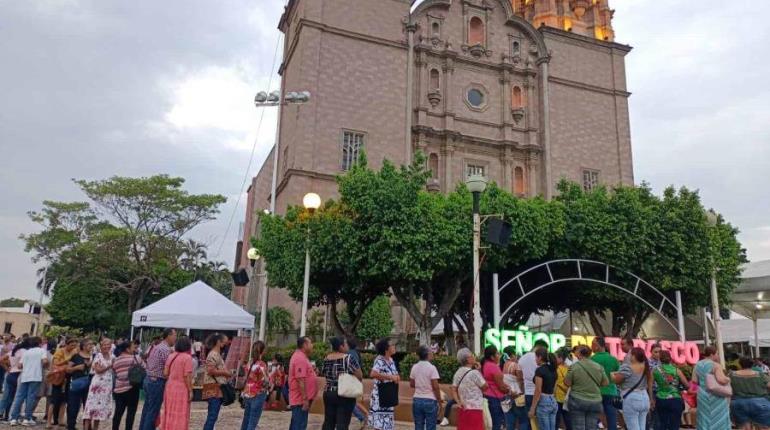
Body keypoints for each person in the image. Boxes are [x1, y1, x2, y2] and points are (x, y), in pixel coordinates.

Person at [321, 337, 363, 430]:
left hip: (329, 393)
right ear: (341, 346)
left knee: (328, 421)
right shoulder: (348, 359)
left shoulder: (326, 358)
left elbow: (324, 373)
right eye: (345, 344)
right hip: (344, 393)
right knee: (342, 423)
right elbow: (359, 375)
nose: (347, 346)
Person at [139, 328, 177, 430]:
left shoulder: (157, 347)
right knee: (153, 412)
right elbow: (170, 367)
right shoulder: (165, 349)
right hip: (156, 382)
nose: (175, 338)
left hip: (149, 380)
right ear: (168, 336)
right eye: (174, 335)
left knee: (147, 409)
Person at [564, 345, 608, 430]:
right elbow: (605, 383)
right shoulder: (598, 366)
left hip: (577, 400)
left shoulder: (574, 367)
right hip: (595, 401)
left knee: (578, 427)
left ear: (580, 354)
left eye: (576, 352)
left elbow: (567, 382)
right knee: (591, 427)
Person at [9, 336, 48, 426]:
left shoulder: (27, 352)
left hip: (24, 376)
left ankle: (14, 418)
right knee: (31, 398)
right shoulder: (42, 351)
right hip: (35, 376)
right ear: (39, 343)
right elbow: (45, 361)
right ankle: (27, 418)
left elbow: (19, 366)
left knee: (19, 397)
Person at [610, 347, 650, 430]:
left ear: (634, 356)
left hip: (632, 398)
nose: (627, 356)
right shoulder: (646, 366)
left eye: (629, 354)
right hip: (645, 397)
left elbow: (617, 380)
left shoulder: (627, 367)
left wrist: (612, 375)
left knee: (633, 427)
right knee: (642, 426)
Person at [159, 336, 194, 430]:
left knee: (169, 411)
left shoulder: (171, 356)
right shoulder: (187, 358)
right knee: (181, 413)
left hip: (170, 387)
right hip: (181, 389)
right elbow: (187, 376)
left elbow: (165, 373)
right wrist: (190, 390)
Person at [693, 345, 730, 430]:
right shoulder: (716, 365)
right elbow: (721, 380)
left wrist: (695, 391)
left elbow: (694, 381)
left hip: (702, 394)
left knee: (704, 416)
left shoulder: (697, 365)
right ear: (711, 354)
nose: (717, 355)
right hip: (715, 395)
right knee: (719, 417)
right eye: (716, 353)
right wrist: (728, 379)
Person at [451, 348, 488, 430]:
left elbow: (453, 389)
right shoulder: (475, 373)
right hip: (475, 409)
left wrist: (458, 402)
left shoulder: (457, 373)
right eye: (472, 355)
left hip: (463, 408)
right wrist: (479, 370)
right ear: (468, 359)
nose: (474, 357)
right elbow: (485, 386)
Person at [730, 356, 770, 430]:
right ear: (752, 364)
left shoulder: (732, 374)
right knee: (763, 428)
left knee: (743, 427)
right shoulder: (760, 374)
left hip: (739, 403)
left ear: (740, 364)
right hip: (761, 403)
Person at [82, 338, 115, 430]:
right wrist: (109, 366)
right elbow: (98, 370)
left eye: (108, 344)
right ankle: (86, 428)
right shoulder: (98, 356)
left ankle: (96, 428)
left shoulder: (112, 356)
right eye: (105, 344)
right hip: (97, 384)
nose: (106, 346)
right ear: (101, 345)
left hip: (107, 384)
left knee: (100, 409)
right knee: (91, 407)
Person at [652, 350, 689, 430]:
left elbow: (650, 385)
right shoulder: (677, 370)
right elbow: (687, 385)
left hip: (661, 399)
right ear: (670, 359)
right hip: (675, 399)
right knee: (674, 425)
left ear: (660, 359)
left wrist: (651, 399)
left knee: (662, 424)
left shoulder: (655, 371)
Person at [369, 337, 399, 430]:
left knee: (387, 424)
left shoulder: (391, 360)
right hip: (380, 395)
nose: (394, 347)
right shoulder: (379, 360)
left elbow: (394, 374)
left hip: (389, 395)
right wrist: (390, 377)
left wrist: (397, 377)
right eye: (392, 345)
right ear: (386, 348)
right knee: (379, 424)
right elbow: (373, 374)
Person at [113, 340, 144, 430]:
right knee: (131, 413)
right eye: (132, 347)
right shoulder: (136, 358)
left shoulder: (116, 360)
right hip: (132, 388)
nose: (134, 348)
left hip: (119, 389)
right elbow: (144, 368)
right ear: (127, 349)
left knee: (118, 413)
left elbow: (115, 372)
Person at [410, 345, 442, 430]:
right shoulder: (432, 368)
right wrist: (439, 401)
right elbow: (436, 387)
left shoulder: (414, 367)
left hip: (417, 399)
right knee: (431, 426)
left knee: (418, 426)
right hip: (430, 400)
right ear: (427, 354)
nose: (432, 354)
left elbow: (412, 384)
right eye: (431, 352)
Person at [202, 333, 230, 430]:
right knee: (212, 416)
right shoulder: (213, 354)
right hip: (214, 388)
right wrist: (225, 373)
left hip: (216, 388)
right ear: (218, 342)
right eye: (224, 342)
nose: (225, 344)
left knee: (213, 416)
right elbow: (211, 371)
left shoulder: (216, 354)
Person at [519, 339, 549, 430]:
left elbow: (520, 377)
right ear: (541, 347)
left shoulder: (522, 358)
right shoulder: (541, 359)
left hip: (527, 393)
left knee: (526, 421)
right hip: (540, 394)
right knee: (539, 422)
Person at [481, 345, 512, 430]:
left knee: (495, 422)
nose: (499, 355)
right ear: (492, 357)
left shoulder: (486, 364)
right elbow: (501, 387)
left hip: (489, 396)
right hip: (496, 398)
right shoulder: (493, 367)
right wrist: (510, 390)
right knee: (497, 423)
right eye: (497, 353)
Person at [48, 337, 78, 428]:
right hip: (58, 377)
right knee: (54, 400)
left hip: (68, 377)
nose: (73, 347)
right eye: (72, 345)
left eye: (74, 345)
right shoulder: (60, 351)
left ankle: (61, 419)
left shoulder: (75, 352)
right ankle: (49, 421)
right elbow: (56, 363)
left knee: (64, 400)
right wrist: (69, 358)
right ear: (67, 344)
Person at [590, 337, 619, 430]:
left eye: (592, 344)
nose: (591, 347)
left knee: (593, 418)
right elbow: (617, 376)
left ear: (597, 346)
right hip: (611, 391)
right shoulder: (613, 359)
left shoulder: (591, 360)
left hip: (595, 392)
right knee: (612, 418)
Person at [289, 336, 317, 430]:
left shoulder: (302, 357)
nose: (312, 345)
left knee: (297, 424)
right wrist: (305, 399)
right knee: (299, 425)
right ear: (305, 345)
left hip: (301, 399)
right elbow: (300, 380)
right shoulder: (299, 358)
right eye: (310, 343)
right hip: (300, 400)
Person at [241, 340, 269, 430]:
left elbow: (246, 377)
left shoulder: (250, 363)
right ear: (262, 350)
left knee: (246, 419)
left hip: (248, 393)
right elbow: (265, 381)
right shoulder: (262, 364)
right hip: (258, 393)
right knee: (253, 421)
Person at [66, 339, 94, 430]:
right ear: (83, 346)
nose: (91, 346)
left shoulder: (94, 356)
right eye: (89, 344)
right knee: (73, 406)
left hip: (91, 385)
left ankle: (87, 426)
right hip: (77, 384)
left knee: (88, 407)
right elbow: (68, 369)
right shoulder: (76, 356)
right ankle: (71, 425)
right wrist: (77, 368)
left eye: (91, 344)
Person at [529, 347, 558, 430]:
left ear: (540, 357)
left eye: (535, 357)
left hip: (543, 401)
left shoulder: (540, 370)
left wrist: (532, 408)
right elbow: (554, 388)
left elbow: (538, 390)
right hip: (553, 400)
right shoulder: (553, 369)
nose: (535, 359)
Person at [0, 338, 27, 422]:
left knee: (6, 396)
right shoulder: (25, 352)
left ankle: (1, 413)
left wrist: (7, 368)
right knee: (14, 397)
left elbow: (1, 360)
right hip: (18, 374)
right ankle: (9, 415)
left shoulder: (13, 351)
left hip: (10, 373)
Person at [347, 338, 369, 427]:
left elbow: (355, 369)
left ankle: (363, 417)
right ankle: (365, 416)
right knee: (352, 402)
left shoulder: (350, 354)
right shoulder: (354, 352)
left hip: (351, 382)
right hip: (354, 381)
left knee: (350, 403)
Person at [502, 349, 524, 430]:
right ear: (512, 356)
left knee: (509, 419)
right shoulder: (515, 365)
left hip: (507, 393)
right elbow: (520, 379)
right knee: (522, 419)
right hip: (516, 393)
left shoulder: (504, 364)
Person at [554, 348, 572, 430]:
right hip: (567, 397)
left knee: (556, 420)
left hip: (557, 397)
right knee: (568, 420)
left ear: (561, 358)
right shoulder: (570, 368)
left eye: (556, 357)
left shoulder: (556, 369)